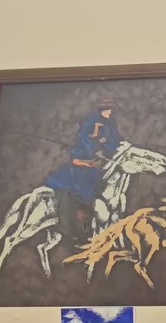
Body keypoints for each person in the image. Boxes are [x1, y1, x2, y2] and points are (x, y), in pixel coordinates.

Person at [44, 97, 122, 228]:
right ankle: (82, 213)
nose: (110, 112)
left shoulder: (111, 123)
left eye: (112, 109)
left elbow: (115, 140)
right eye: (108, 109)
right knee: (86, 182)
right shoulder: (90, 122)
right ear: (103, 109)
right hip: (86, 159)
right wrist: (95, 149)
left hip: (105, 159)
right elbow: (84, 139)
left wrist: (107, 146)